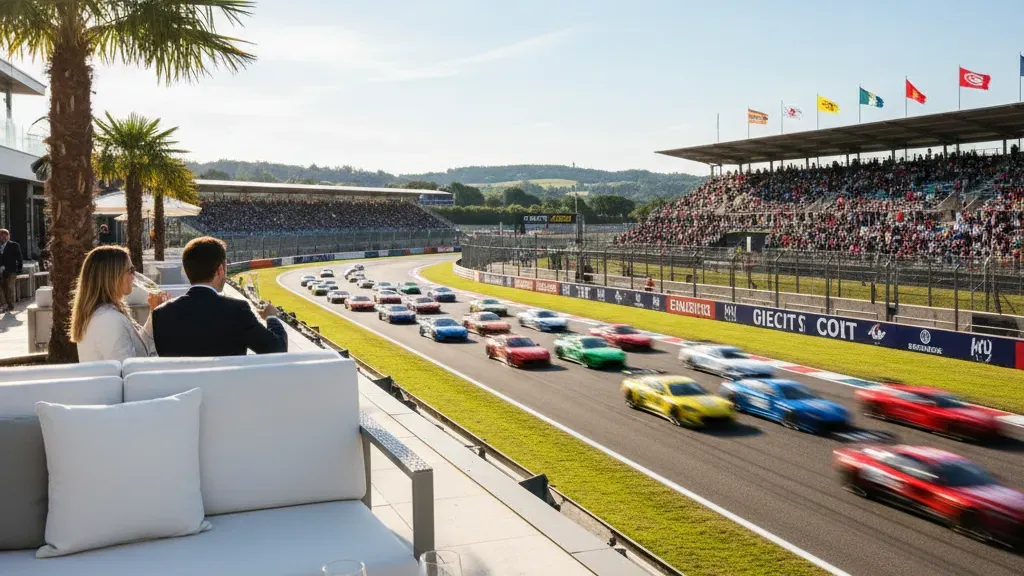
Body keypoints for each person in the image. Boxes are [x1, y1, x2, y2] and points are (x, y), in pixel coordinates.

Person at [152, 236, 287, 357]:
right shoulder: (237, 310)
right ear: (220, 270)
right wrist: (271, 318)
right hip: (228, 385)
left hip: (183, 385)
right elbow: (277, 350)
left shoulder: (160, 314)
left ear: (187, 271)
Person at [70, 245, 167, 362]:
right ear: (112, 276)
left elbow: (138, 348)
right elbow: (128, 369)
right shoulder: (108, 319)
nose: (134, 276)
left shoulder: (105, 313)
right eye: (130, 270)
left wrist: (153, 311)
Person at [0, 228, 24, 314]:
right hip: (1, 272)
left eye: (6, 235)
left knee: (10, 288)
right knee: (3, 288)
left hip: (11, 270)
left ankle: (10, 306)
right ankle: (5, 305)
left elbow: (19, 258)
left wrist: (19, 269)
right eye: (2, 235)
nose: (4, 237)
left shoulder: (14, 245)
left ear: (9, 236)